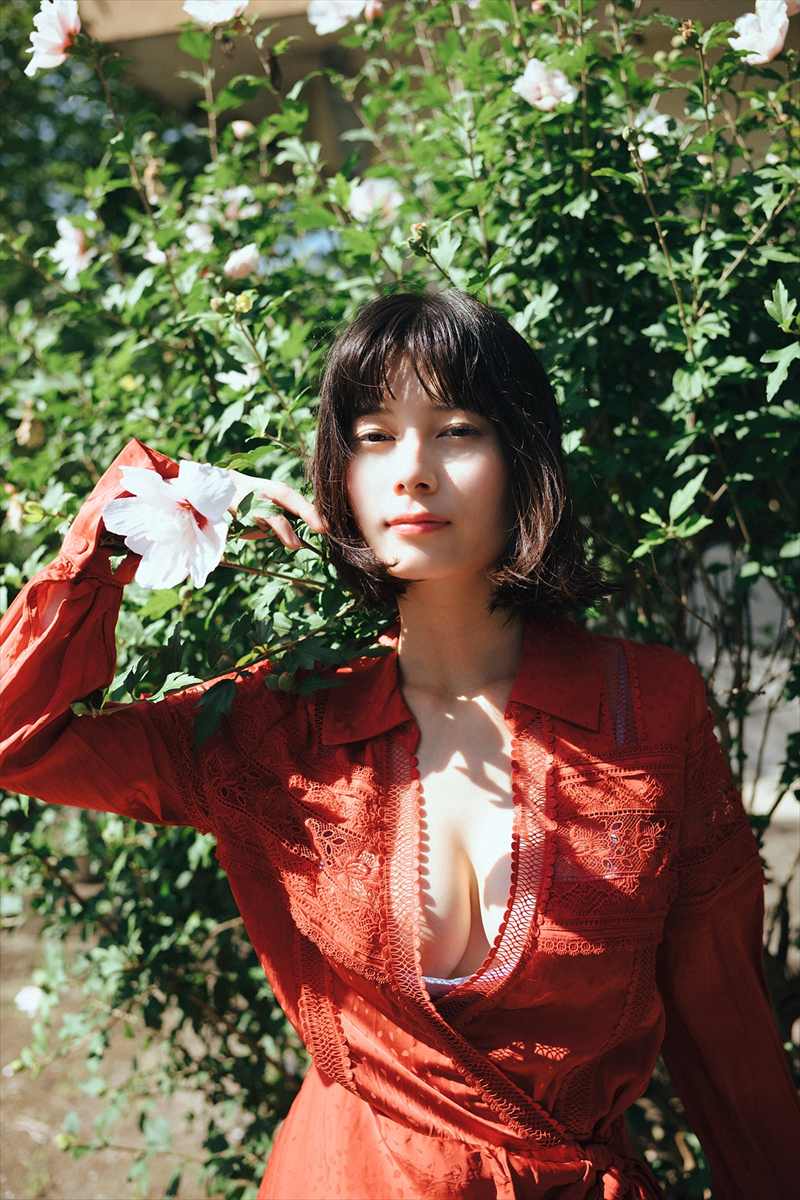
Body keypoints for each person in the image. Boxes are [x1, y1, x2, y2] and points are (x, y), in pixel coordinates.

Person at [1, 288, 798, 1199]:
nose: (412, 470)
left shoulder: (649, 712)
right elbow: (15, 737)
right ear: (336, 474)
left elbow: (730, 1041)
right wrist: (136, 518)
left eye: (456, 430)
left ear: (523, 457)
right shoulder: (277, 725)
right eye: (374, 436)